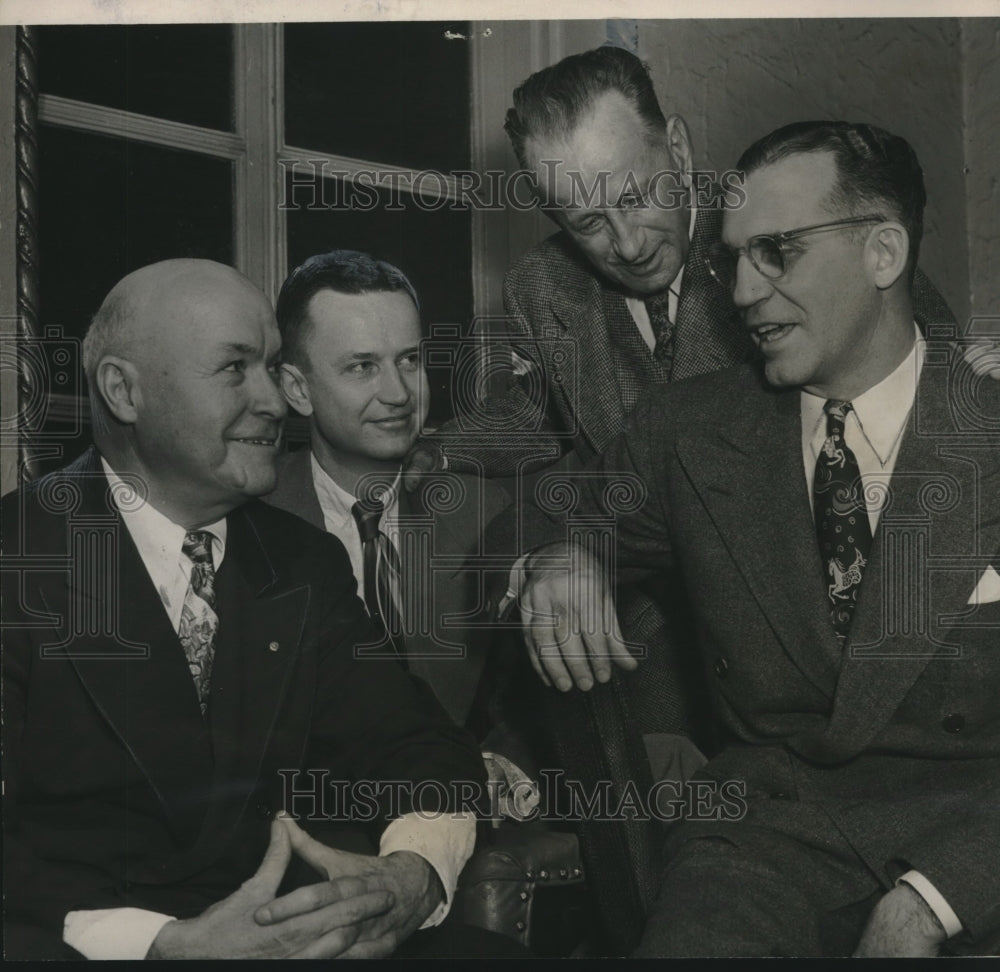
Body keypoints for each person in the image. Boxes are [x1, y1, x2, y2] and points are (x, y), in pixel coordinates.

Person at [507, 122, 1000, 956]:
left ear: (884, 253)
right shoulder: (688, 432)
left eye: (777, 251)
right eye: (732, 257)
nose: (739, 291)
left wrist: (934, 898)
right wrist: (566, 554)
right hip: (766, 839)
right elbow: (564, 508)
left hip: (979, 832)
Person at [1, 259, 503, 960]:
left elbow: (416, 745)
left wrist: (412, 871)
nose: (275, 400)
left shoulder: (299, 561)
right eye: (236, 369)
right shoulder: (17, 558)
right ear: (123, 391)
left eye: (272, 366)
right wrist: (163, 944)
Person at [411, 45, 955, 481]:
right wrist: (443, 451)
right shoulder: (542, 286)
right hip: (634, 602)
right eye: (588, 223)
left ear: (678, 149)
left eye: (633, 199)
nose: (627, 245)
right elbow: (546, 411)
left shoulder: (782, 224)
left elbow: (929, 352)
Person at [264, 250, 510, 730]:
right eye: (362, 367)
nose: (399, 394)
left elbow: (525, 711)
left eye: (410, 360)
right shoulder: (246, 525)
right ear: (297, 390)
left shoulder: (484, 514)